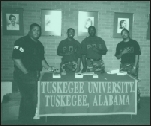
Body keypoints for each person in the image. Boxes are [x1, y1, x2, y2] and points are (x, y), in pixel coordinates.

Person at [12, 23, 54, 124]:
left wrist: (49, 68)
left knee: (30, 101)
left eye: (38, 30)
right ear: (30, 31)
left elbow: (41, 60)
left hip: (34, 75)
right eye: (34, 30)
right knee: (29, 100)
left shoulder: (39, 44)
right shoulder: (21, 42)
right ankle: (25, 121)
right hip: (24, 75)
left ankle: (26, 121)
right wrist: (26, 73)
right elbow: (16, 59)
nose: (36, 32)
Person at [114, 28, 141, 109]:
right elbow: (118, 57)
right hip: (123, 66)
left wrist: (135, 67)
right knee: (123, 84)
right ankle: (125, 103)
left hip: (133, 65)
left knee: (134, 84)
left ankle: (136, 103)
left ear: (128, 33)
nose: (124, 34)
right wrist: (122, 53)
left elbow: (137, 55)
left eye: (125, 33)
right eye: (122, 33)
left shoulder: (134, 43)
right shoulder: (119, 45)